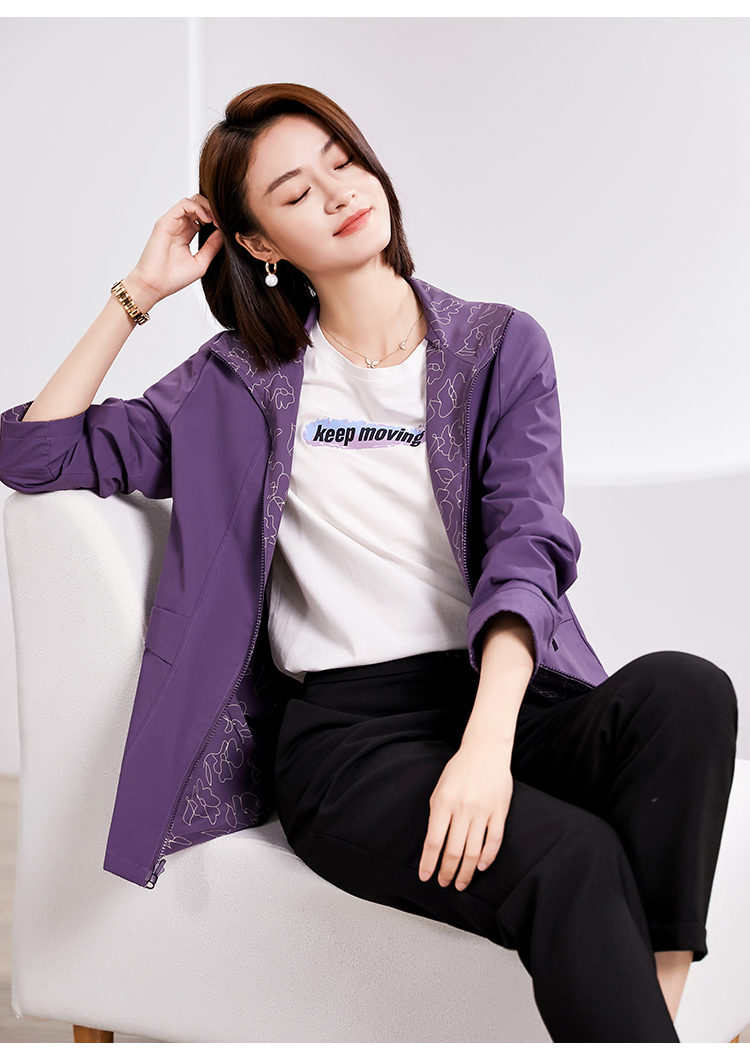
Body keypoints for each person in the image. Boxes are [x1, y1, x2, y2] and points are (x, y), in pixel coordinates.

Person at [0, 84, 737, 1043]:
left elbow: (528, 546)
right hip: (351, 745)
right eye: (295, 193)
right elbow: (35, 454)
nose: (338, 192)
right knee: (575, 855)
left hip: (500, 698)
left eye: (341, 162)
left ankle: (659, 1008)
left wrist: (486, 746)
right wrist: (138, 291)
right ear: (260, 242)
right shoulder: (235, 382)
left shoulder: (498, 345)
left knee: (689, 690)